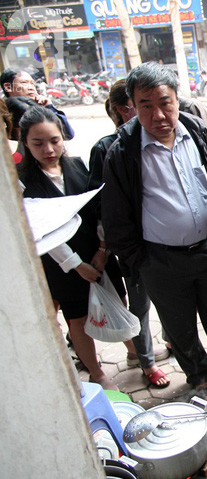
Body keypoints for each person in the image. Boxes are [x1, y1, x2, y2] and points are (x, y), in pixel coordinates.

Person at [102, 62, 207, 403]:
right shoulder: (122, 151)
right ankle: (200, 377)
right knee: (179, 324)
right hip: (160, 259)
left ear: (177, 99)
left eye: (165, 102)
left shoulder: (195, 129)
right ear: (132, 105)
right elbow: (115, 215)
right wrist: (142, 260)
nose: (158, 114)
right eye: (146, 105)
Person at [18, 106, 124, 391]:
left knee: (118, 302)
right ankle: (97, 372)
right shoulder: (22, 180)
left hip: (97, 251)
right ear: (25, 142)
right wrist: (76, 264)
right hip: (61, 263)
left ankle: (137, 353)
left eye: (54, 140)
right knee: (76, 318)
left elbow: (98, 210)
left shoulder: (76, 165)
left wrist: (103, 249)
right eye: (38, 143)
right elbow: (37, 230)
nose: (48, 149)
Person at [88, 79, 170, 388]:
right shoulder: (108, 148)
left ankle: (172, 343)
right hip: (135, 248)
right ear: (123, 110)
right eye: (142, 106)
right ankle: (146, 361)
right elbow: (101, 204)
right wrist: (108, 245)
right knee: (140, 306)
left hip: (167, 244)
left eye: (159, 104)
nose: (153, 115)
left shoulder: (160, 139)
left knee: (170, 303)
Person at [1, 68, 74, 140]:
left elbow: (67, 134)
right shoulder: (4, 113)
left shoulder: (37, 106)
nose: (31, 87)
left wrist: (49, 106)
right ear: (8, 87)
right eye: (24, 82)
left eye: (32, 83)